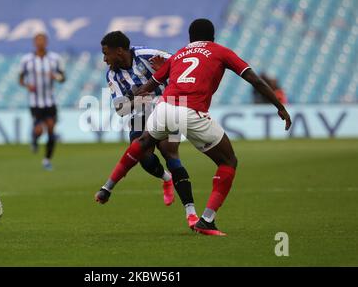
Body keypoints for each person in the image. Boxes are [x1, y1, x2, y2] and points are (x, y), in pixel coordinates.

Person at [95, 19, 292, 236]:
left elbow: (155, 81)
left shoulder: (174, 53)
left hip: (164, 106)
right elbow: (254, 79)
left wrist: (153, 85)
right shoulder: (220, 51)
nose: (104, 59)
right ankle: (204, 218)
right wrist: (279, 106)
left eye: (106, 54)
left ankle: (110, 188)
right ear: (213, 37)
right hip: (179, 109)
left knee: (152, 147)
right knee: (227, 161)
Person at [98, 31, 199, 228]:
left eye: (106, 53)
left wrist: (166, 79)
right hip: (140, 114)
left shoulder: (149, 55)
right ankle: (166, 179)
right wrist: (139, 95)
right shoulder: (112, 74)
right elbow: (120, 109)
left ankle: (191, 212)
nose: (104, 59)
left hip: (168, 106)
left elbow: (183, 66)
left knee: (170, 152)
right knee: (141, 154)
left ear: (119, 51)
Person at [19, 33, 65, 170]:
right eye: (38, 40)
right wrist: (27, 86)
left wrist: (55, 76)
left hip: (50, 101)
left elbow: (63, 78)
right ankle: (34, 137)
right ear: (34, 43)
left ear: (46, 42)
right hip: (35, 102)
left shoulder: (55, 59)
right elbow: (20, 79)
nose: (40, 43)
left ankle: (47, 160)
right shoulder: (26, 60)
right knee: (39, 130)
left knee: (51, 128)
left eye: (43, 40)